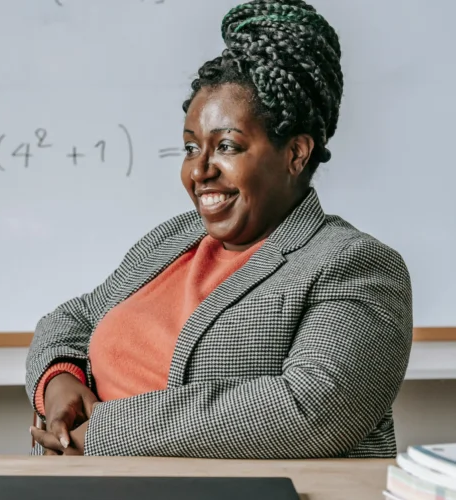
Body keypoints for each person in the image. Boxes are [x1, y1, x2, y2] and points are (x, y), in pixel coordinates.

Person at [26, 0, 412, 459]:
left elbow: (310, 411)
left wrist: (104, 432)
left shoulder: (354, 265)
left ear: (296, 154)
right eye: (191, 148)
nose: (199, 170)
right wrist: (58, 383)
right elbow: (71, 320)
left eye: (227, 145)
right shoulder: (173, 240)